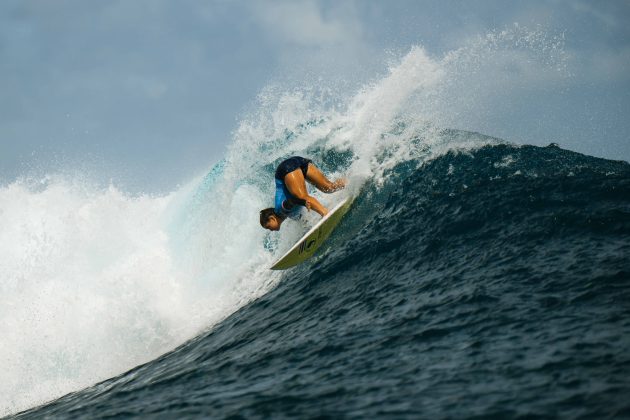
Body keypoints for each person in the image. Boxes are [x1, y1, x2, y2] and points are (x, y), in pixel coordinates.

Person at [260, 156, 346, 231]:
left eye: (268, 226)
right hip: (297, 162)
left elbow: (291, 201)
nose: (270, 230)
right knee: (329, 187)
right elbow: (304, 221)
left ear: (272, 218)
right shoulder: (291, 215)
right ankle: (350, 181)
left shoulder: (280, 210)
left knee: (302, 196)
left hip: (285, 169)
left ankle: (326, 214)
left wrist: (303, 202)